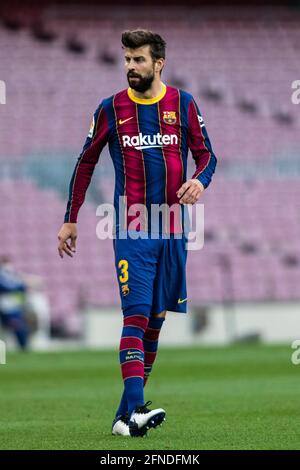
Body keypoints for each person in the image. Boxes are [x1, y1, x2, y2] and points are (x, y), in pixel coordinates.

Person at [57, 29, 217, 437]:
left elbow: (207, 155)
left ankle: (123, 420)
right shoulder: (111, 108)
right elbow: (85, 162)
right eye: (127, 60)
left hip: (174, 227)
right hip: (132, 226)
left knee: (156, 322)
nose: (131, 67)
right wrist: (71, 217)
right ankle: (139, 407)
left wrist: (200, 181)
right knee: (137, 314)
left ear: (158, 63)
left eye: (138, 60)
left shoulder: (182, 104)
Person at [0, 256, 28, 350]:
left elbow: (23, 287)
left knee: (19, 326)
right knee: (14, 325)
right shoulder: (2, 276)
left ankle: (23, 347)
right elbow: (6, 287)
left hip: (15, 305)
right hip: (5, 305)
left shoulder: (14, 275)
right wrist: (16, 287)